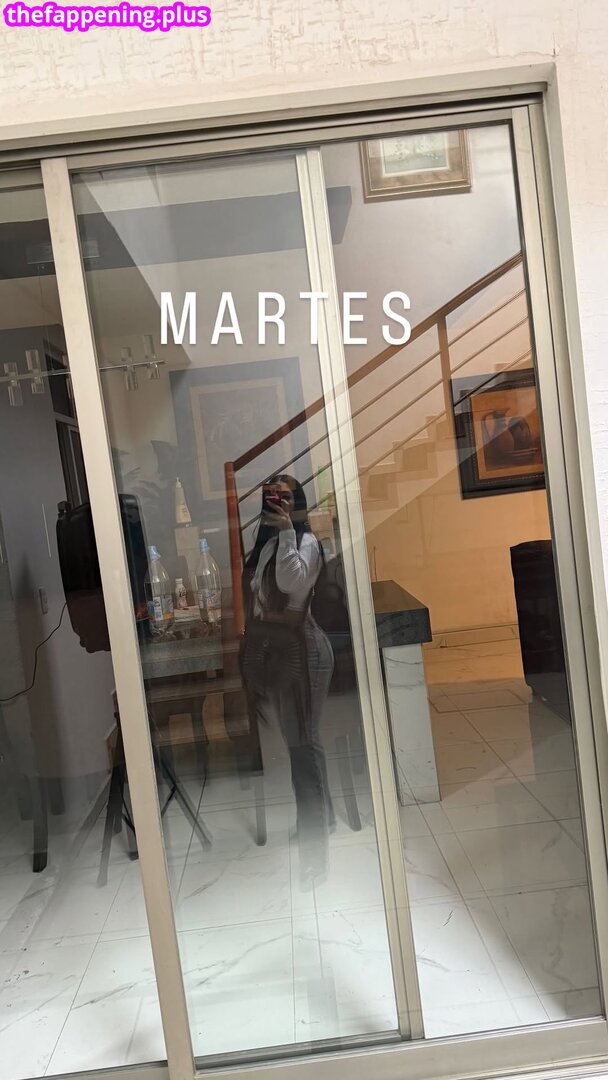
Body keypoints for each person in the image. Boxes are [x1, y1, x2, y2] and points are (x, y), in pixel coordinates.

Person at [242, 473, 334, 882]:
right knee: (300, 740)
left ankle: (315, 845)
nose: (278, 502)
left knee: (302, 744)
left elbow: (289, 583)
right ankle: (322, 819)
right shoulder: (267, 546)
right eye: (271, 497)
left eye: (285, 497)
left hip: (304, 649)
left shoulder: (306, 542)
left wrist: (284, 533)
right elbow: (259, 594)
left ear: (297, 502)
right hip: (280, 649)